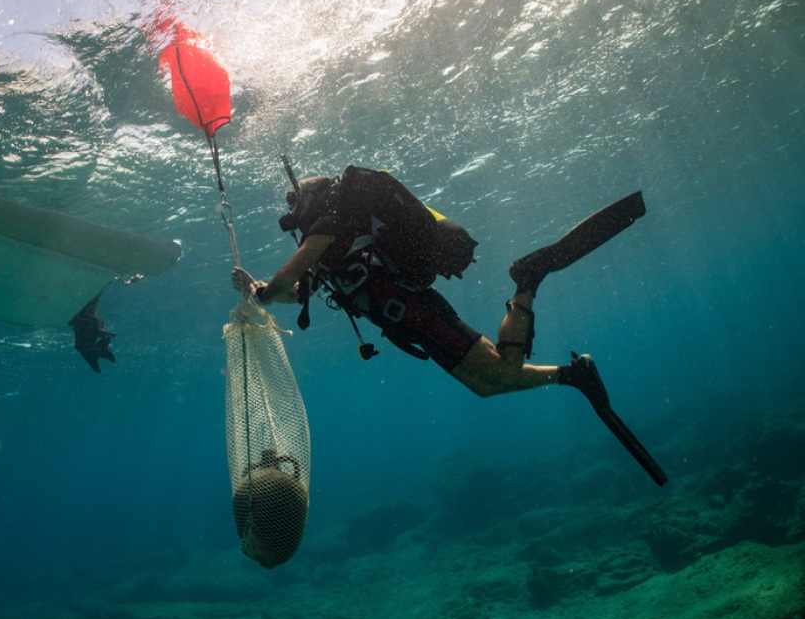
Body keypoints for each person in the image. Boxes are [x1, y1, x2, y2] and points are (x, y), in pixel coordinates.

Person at [232, 166, 666, 485]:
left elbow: (286, 278)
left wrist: (264, 293)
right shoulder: (330, 248)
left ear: (313, 196)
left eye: (295, 202)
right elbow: (296, 291)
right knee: (484, 385)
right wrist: (257, 289)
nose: (292, 213)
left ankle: (529, 279)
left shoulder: (330, 224)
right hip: (411, 324)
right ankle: (572, 374)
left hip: (421, 313)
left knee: (502, 372)